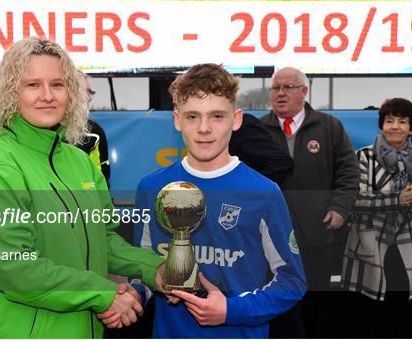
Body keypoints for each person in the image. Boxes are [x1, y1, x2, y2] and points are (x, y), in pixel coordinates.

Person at [0, 37, 164, 338]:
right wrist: (103, 294)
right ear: (10, 92)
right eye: (32, 85)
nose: (47, 96)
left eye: (57, 84)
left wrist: (155, 269)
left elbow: (103, 240)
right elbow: (13, 268)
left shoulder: (80, 163)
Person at [124, 63, 307, 338]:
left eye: (217, 116)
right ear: (177, 119)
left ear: (237, 119)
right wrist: (131, 297)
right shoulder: (151, 188)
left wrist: (230, 310)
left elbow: (292, 282)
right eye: (192, 116)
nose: (204, 128)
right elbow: (143, 269)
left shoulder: (264, 192)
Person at [260, 67, 359, 337]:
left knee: (315, 306)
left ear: (304, 91)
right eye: (275, 88)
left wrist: (339, 208)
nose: (280, 94)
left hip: (317, 234)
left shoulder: (329, 127)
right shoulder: (257, 129)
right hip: (271, 238)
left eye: (287, 88)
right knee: (276, 305)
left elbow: (349, 174)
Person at [341, 98, 412, 337]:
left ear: (411, 128)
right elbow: (355, 201)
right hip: (368, 247)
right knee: (367, 320)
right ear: (381, 125)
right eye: (389, 120)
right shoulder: (364, 157)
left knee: (403, 319)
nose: (395, 126)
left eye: (402, 122)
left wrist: (411, 201)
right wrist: (396, 200)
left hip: (406, 250)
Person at [169, 76, 294, 186]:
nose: (204, 128)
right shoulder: (160, 182)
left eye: (217, 116)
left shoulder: (243, 127)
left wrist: (248, 192)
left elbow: (280, 161)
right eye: (176, 104)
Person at [76, 72, 111, 184]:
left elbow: (101, 178)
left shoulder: (94, 132)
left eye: (91, 93)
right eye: (86, 91)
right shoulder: (44, 128)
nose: (90, 98)